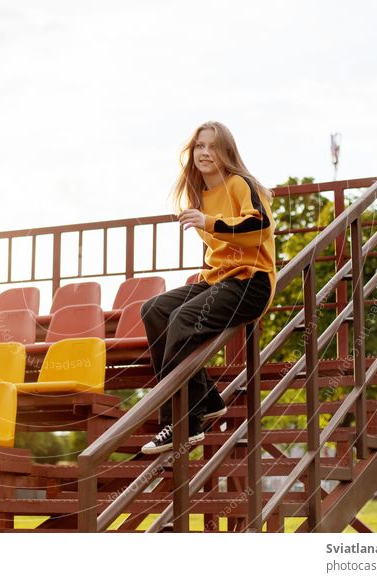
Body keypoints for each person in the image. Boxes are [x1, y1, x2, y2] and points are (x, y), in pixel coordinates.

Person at [140, 121, 277, 454]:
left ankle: (184, 424)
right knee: (154, 309)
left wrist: (209, 222)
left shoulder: (241, 184)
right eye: (199, 146)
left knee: (183, 320)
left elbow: (261, 226)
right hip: (219, 278)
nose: (204, 152)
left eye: (212, 146)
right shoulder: (199, 194)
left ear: (226, 151)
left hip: (251, 280)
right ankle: (207, 398)